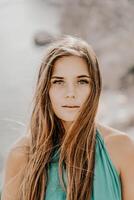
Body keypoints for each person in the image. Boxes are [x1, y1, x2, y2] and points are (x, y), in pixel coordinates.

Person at [1, 35, 134, 200]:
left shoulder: (121, 148)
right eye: (58, 82)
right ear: (46, 90)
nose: (70, 94)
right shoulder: (21, 155)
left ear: (95, 88)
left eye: (82, 81)